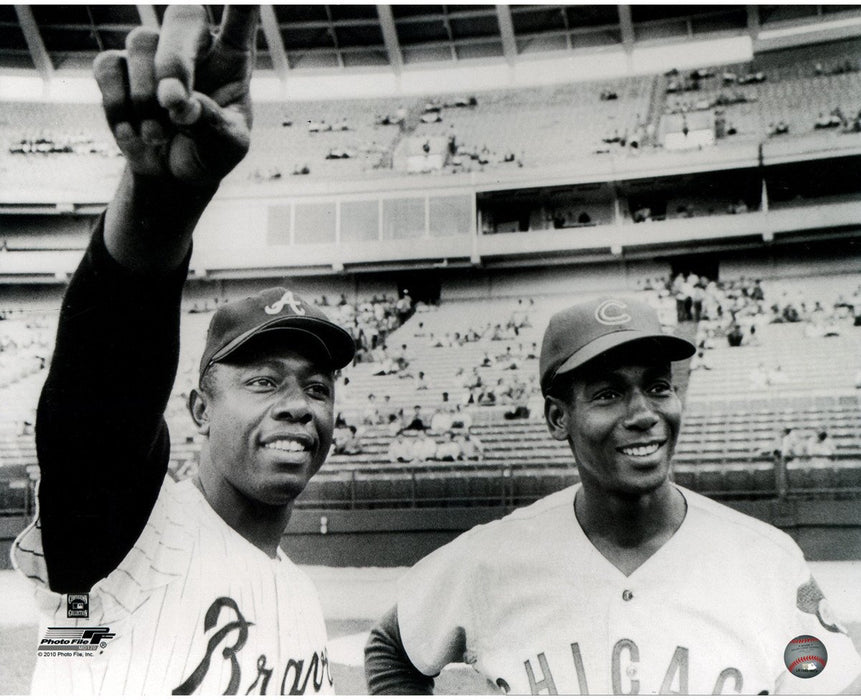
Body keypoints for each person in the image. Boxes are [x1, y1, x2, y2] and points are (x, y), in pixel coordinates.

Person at [11, 7, 354, 695]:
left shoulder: (300, 597)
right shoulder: (129, 534)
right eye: (264, 381)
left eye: (317, 387)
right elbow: (102, 386)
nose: (297, 405)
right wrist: (161, 211)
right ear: (199, 406)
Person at [364, 297, 861, 694]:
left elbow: (833, 684)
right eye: (608, 393)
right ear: (559, 418)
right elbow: (391, 646)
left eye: (658, 386)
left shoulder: (766, 559)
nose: (644, 412)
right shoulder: (493, 557)